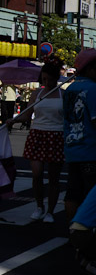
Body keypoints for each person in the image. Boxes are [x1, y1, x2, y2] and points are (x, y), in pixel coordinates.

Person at [8, 56, 65, 223]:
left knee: (54, 177)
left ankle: (50, 211)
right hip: (37, 134)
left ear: (56, 78)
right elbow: (27, 115)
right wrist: (14, 120)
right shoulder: (37, 93)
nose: (47, 82)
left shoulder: (64, 94)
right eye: (44, 79)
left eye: (50, 79)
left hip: (57, 136)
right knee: (37, 174)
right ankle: (39, 206)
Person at [63, 48, 96, 219]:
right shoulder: (93, 89)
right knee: (91, 195)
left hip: (72, 148)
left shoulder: (70, 89)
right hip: (91, 149)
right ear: (90, 69)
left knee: (73, 193)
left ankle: (73, 231)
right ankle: (87, 232)